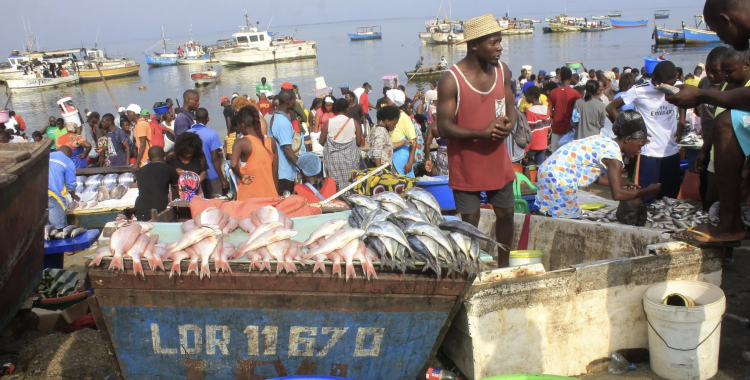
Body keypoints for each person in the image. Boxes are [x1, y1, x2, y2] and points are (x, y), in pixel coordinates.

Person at [436, 13, 517, 267]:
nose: (499, 47)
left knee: (506, 213)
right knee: (470, 220)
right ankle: (469, 267)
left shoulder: (502, 71)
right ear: (474, 45)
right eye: (493, 42)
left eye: (500, 41)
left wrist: (509, 123)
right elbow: (444, 127)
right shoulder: (451, 79)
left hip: (497, 160)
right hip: (466, 163)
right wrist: (481, 133)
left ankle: (503, 266)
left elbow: (511, 105)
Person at [537, 113, 661, 219]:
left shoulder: (604, 141)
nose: (639, 151)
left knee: (552, 212)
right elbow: (617, 194)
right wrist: (647, 191)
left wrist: (619, 183)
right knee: (566, 218)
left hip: (548, 170)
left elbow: (589, 174)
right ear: (628, 139)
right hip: (559, 177)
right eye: (639, 146)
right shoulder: (614, 156)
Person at [606, 61, 685, 202]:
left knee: (671, 198)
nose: (670, 88)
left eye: (672, 84)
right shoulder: (639, 90)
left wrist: (682, 122)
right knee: (646, 197)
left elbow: (683, 101)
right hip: (649, 152)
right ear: (655, 80)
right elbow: (611, 107)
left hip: (671, 150)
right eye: (667, 85)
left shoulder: (676, 87)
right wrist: (632, 128)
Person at [694, 46, 728, 210]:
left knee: (722, 189)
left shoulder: (729, 88)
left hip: (724, 147)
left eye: (715, 71)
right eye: (708, 70)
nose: (711, 74)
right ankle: (706, 213)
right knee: (704, 183)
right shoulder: (704, 82)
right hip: (706, 143)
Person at [231, 106, 279, 200]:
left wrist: (241, 176)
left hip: (249, 196)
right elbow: (275, 171)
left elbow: (233, 164)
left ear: (243, 125)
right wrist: (276, 194)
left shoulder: (240, 142)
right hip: (270, 194)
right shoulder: (271, 141)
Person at [319, 98, 364, 189]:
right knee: (351, 184)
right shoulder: (354, 122)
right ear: (347, 109)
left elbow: (321, 141)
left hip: (334, 160)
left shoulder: (329, 123)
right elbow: (359, 143)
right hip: (350, 159)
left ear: (335, 109)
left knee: (336, 185)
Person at [186, 108, 227, 198]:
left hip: (194, 177)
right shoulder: (212, 134)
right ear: (208, 119)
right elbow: (215, 159)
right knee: (215, 203)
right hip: (211, 175)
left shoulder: (187, 134)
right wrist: (222, 179)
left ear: (195, 117)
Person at [270, 89, 301, 195]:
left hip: (280, 170)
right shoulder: (283, 123)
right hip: (283, 172)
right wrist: (301, 166)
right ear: (288, 102)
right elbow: (287, 148)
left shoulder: (277, 117)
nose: (295, 103)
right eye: (294, 100)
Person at [134, 147, 178, 221]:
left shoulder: (140, 171)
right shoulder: (169, 169)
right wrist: (175, 206)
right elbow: (175, 191)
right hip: (160, 209)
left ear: (149, 159)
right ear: (164, 157)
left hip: (140, 208)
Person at [384, 89, 417, 177]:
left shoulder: (404, 118)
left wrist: (410, 162)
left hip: (401, 156)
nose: (386, 104)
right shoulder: (389, 116)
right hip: (390, 153)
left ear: (395, 103)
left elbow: (413, 141)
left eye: (388, 102)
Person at [548, 67, 582, 152]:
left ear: (560, 77)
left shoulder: (553, 92)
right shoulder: (575, 93)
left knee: (555, 153)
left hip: (556, 127)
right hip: (569, 129)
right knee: (568, 154)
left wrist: (551, 118)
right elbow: (578, 112)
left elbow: (549, 110)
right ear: (571, 78)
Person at [167, 132, 208, 200]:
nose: (189, 153)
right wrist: (174, 172)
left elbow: (203, 172)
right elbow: (165, 175)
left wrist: (194, 184)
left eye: (191, 151)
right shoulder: (170, 158)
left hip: (195, 191)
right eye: (186, 151)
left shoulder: (199, 156)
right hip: (176, 193)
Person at [47, 146, 78, 228]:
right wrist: (73, 195)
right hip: (54, 196)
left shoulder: (47, 156)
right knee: (59, 229)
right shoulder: (68, 161)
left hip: (38, 196)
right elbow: (71, 185)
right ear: (69, 153)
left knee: (46, 231)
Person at [523, 86, 551, 171]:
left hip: (532, 146)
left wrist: (525, 149)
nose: (525, 98)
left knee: (526, 167)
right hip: (543, 144)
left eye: (526, 96)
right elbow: (548, 127)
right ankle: (538, 184)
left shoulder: (529, 112)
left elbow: (529, 132)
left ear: (532, 97)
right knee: (539, 169)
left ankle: (528, 185)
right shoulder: (546, 109)